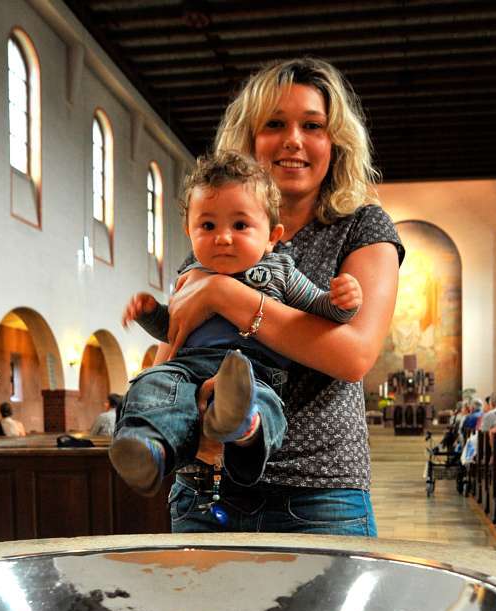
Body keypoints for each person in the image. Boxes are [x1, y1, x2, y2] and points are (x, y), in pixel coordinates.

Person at [151, 57, 404, 535]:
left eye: (312, 125)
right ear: (249, 138)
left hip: (320, 492)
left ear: (335, 142)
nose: (293, 140)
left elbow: (353, 355)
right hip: (208, 485)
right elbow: (173, 349)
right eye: (274, 124)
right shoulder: (218, 233)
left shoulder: (362, 225)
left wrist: (224, 294)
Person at [112, 152, 361, 496]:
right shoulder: (189, 277)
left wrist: (342, 302)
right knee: (154, 382)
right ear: (189, 231)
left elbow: (320, 310)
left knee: (261, 401)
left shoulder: (280, 271)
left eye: (240, 226)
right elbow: (173, 330)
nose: (223, 237)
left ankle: (243, 426)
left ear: (272, 236)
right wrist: (150, 312)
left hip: (255, 371)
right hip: (187, 369)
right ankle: (149, 446)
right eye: (208, 226)